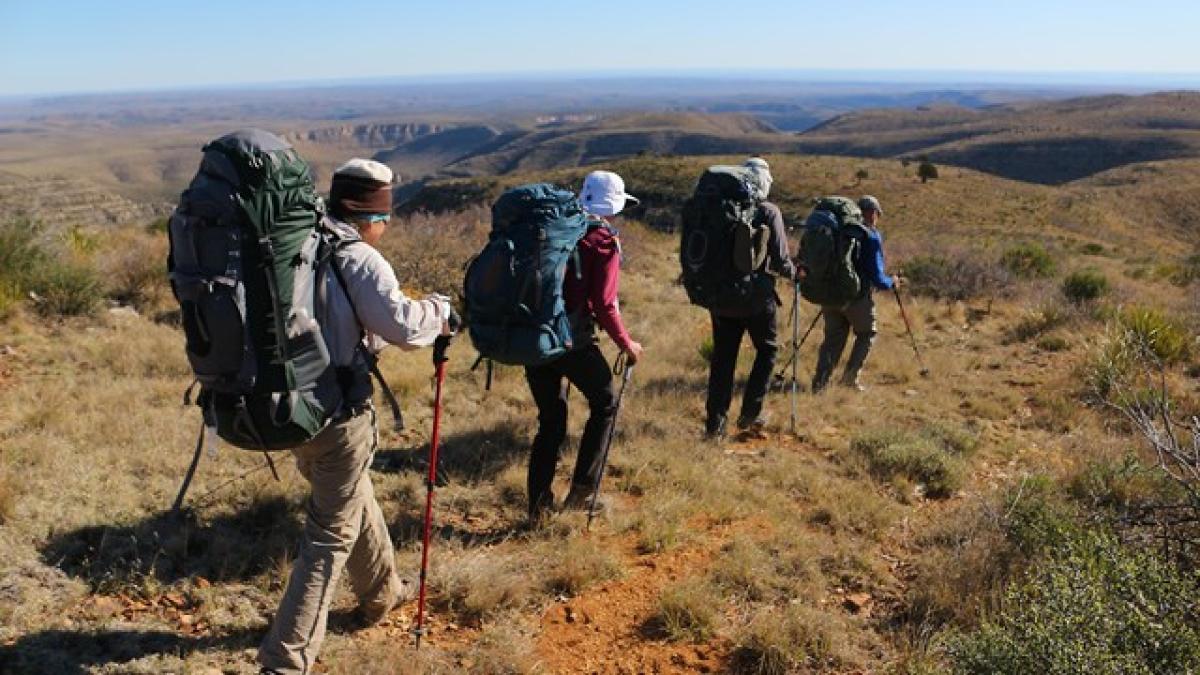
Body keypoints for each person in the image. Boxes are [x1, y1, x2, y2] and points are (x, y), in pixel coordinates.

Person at [259, 158, 458, 675]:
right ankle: (284, 661)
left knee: (351, 495)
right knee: (328, 536)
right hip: (338, 413)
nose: (386, 229)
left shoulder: (297, 243)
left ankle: (381, 593)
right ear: (371, 214)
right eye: (386, 219)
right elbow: (404, 329)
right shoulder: (360, 258)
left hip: (288, 407)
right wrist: (438, 309)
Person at [523, 170, 644, 523]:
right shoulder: (601, 241)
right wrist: (627, 344)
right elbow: (604, 304)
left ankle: (538, 505)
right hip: (573, 342)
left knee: (550, 420)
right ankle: (582, 492)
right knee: (605, 404)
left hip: (537, 338)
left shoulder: (556, 228)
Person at [704, 157, 797, 439]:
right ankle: (750, 415)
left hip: (721, 296)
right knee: (767, 351)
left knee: (723, 358)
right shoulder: (768, 210)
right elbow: (781, 260)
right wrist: (796, 274)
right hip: (757, 297)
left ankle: (715, 426)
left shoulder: (721, 208)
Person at [811, 195, 896, 393]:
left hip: (830, 294)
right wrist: (892, 283)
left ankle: (820, 383)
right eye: (877, 214)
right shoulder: (870, 236)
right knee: (867, 333)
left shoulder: (838, 231)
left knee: (833, 339)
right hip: (856, 297)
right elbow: (877, 276)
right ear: (873, 213)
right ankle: (850, 379)